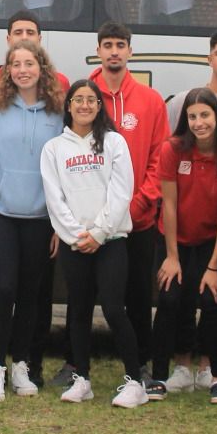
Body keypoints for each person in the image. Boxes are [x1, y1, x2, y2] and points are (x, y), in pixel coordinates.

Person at [40, 79, 147, 408]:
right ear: (68, 106)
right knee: (79, 313)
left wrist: (99, 234)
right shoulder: (54, 148)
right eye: (78, 99)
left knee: (114, 309)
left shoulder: (114, 142)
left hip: (110, 241)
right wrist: (76, 235)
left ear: (99, 107)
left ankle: (135, 382)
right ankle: (82, 378)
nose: (84, 105)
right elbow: (54, 199)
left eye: (91, 100)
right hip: (75, 245)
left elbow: (121, 192)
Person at [0, 41, 66, 401]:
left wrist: (60, 223)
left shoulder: (59, 112)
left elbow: (63, 171)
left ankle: (21, 365)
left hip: (41, 219)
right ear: (7, 70)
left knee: (30, 294)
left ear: (42, 68)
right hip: (0, 216)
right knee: (5, 289)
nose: (23, 69)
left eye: (30, 63)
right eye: (16, 64)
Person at [81, 22, 170, 390]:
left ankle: (140, 364)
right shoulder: (84, 96)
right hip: (91, 220)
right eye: (107, 45)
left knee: (136, 296)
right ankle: (75, 364)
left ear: (130, 51)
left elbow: (158, 159)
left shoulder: (150, 100)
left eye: (120, 45)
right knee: (84, 295)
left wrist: (134, 207)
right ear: (98, 51)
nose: (114, 51)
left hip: (138, 220)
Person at [149, 88, 217, 403]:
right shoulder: (173, 150)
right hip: (174, 239)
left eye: (204, 114)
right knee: (170, 298)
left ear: (216, 116)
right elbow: (169, 204)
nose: (198, 122)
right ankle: (166, 373)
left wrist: (214, 267)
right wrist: (173, 258)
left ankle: (214, 375)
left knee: (212, 300)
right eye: (192, 116)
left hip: (213, 242)